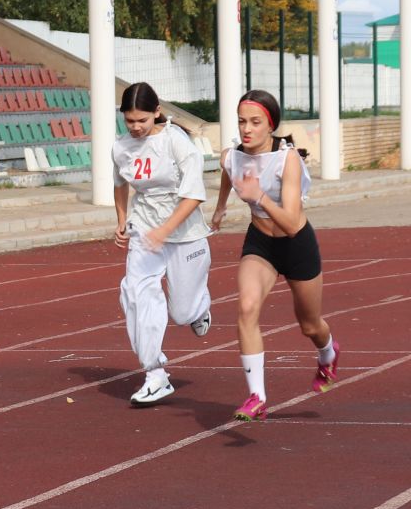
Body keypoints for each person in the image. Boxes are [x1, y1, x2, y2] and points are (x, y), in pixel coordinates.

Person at [207, 88, 336, 422]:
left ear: (271, 125)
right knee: (246, 307)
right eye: (241, 122)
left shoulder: (286, 159)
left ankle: (327, 353)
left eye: (255, 122)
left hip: (296, 246)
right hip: (260, 243)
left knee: (310, 326)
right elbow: (227, 169)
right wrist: (221, 207)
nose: (246, 129)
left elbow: (292, 224)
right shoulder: (232, 155)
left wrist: (259, 196)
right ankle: (257, 396)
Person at [111, 82, 211, 406]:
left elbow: (194, 195)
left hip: (185, 233)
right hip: (144, 230)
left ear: (157, 112)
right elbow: (120, 186)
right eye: (130, 121)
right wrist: (123, 221)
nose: (136, 127)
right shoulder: (120, 148)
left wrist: (165, 230)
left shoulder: (177, 142)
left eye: (142, 119)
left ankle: (198, 308)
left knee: (181, 313)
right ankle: (155, 374)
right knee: (135, 294)